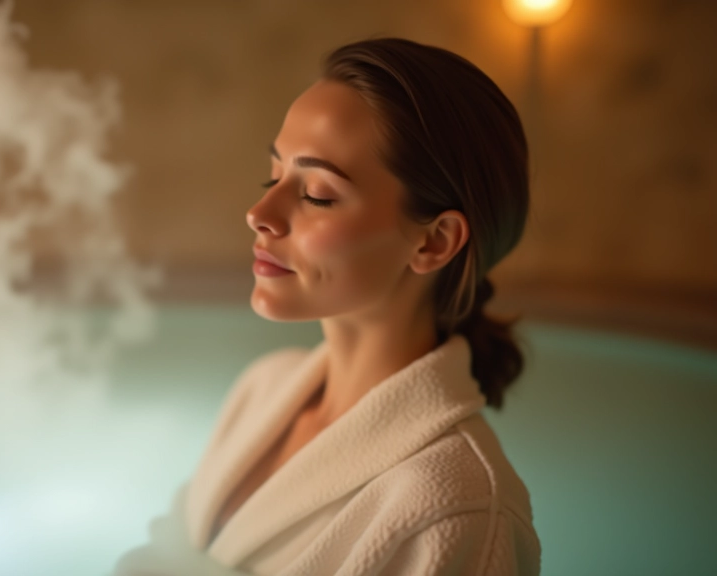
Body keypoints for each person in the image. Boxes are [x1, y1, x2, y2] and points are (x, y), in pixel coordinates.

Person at [114, 36, 540, 576]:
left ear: (433, 242)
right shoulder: (263, 387)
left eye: (316, 193)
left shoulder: (458, 506)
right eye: (274, 175)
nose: (260, 211)